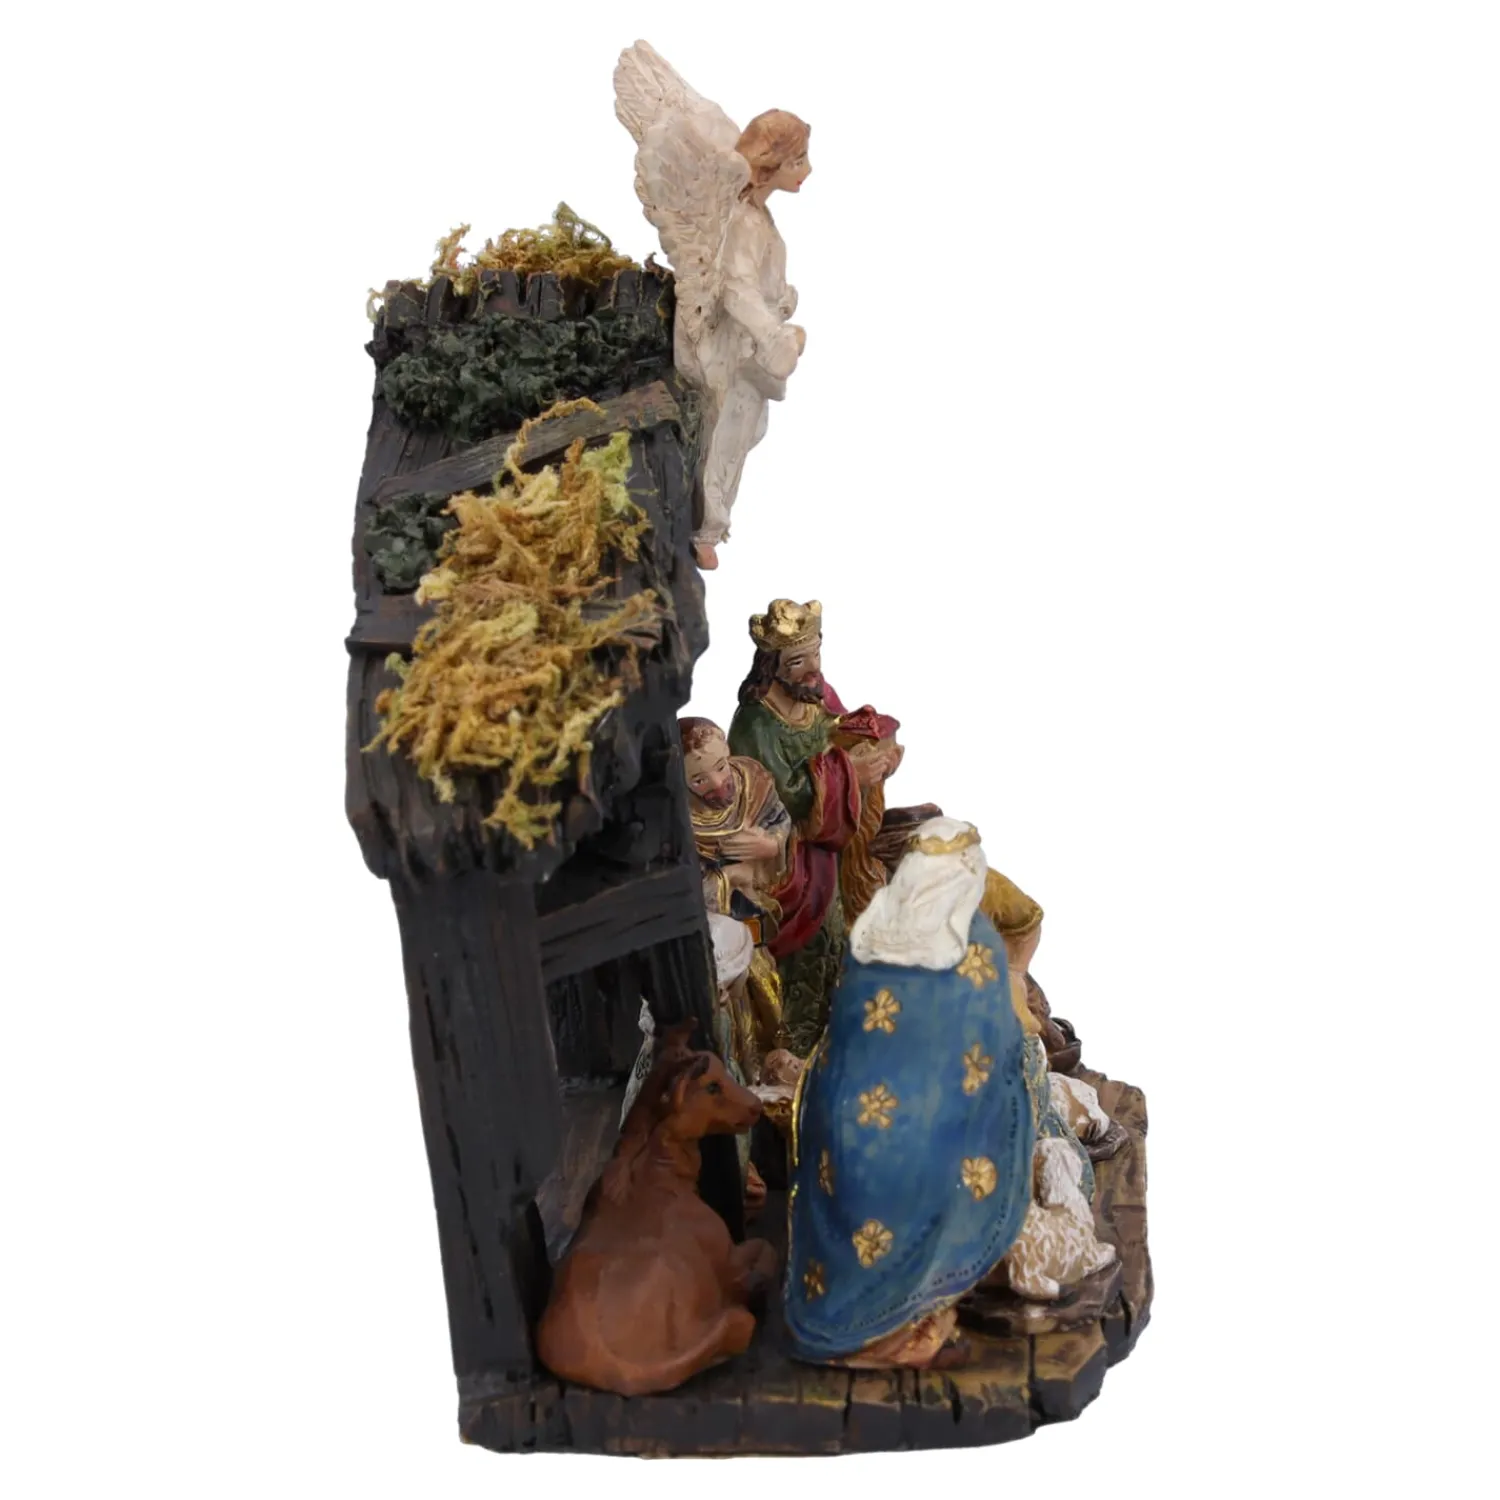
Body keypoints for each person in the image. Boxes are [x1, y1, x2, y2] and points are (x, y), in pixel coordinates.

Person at [781, 818, 1040, 1370]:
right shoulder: (976, 944)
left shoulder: (872, 931)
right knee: (983, 1134)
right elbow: (993, 1053)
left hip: (844, 1128)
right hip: (924, 1141)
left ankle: (852, 1316)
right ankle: (906, 1324)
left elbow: (842, 1039)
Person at [728, 599, 899, 1053]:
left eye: (816, 654)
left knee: (842, 936)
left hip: (832, 847)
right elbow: (780, 794)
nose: (812, 670)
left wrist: (873, 747)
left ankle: (834, 1037)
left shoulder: (816, 696)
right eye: (797, 662)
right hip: (785, 857)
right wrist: (849, 774)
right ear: (772, 666)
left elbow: (840, 730)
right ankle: (786, 1047)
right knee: (808, 945)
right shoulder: (755, 723)